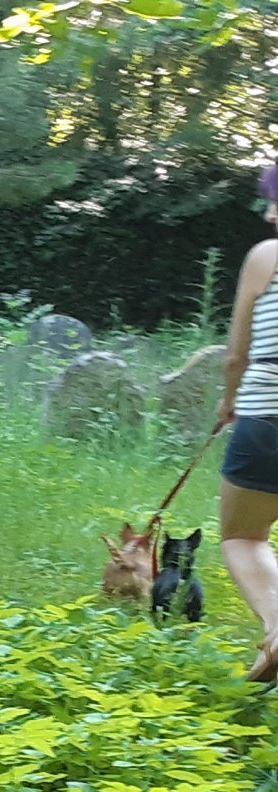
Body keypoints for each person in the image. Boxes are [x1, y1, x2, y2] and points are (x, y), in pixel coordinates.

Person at [214, 163, 278, 681]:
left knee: (243, 536)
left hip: (267, 417)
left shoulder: (267, 256)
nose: (269, 211)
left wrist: (228, 403)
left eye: (276, 199)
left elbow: (235, 355)